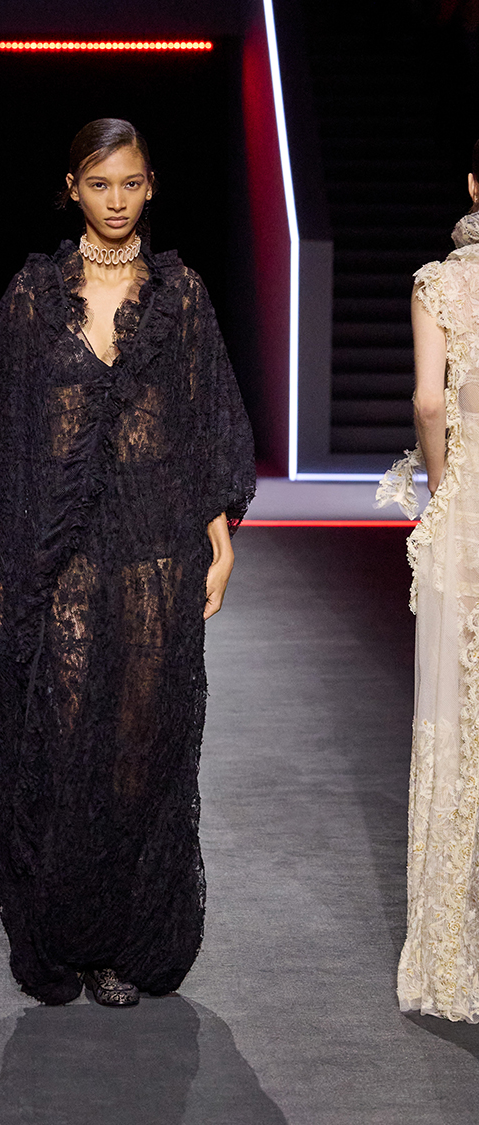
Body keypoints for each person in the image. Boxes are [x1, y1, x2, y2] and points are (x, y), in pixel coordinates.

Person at [0, 119, 256, 1007]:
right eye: (100, 183)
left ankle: (117, 942)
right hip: (58, 546)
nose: (117, 200)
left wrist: (221, 540)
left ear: (152, 186)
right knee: (63, 730)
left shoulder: (180, 294)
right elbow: (0, 428)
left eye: (131, 183)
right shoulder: (36, 295)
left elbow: (203, 424)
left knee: (141, 740)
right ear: (72, 187)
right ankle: (63, 932)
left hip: (156, 544)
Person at [376, 140, 479, 1021]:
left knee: (454, 718)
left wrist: (443, 491)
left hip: (470, 505)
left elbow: (430, 401)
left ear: (474, 183)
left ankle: (452, 953)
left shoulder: (440, 282)